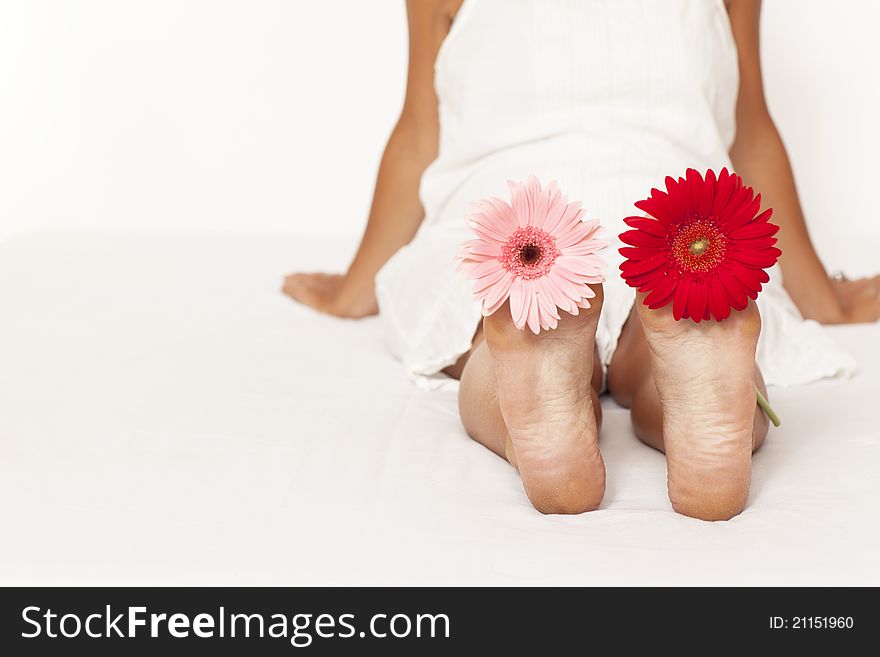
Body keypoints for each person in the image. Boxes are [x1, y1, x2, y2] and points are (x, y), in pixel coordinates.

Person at [283, 0, 880, 520]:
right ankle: (701, 405)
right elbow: (750, 131)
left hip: (513, 226)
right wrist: (820, 298)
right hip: (680, 226)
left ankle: (536, 416)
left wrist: (355, 288)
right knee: (677, 338)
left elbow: (420, 131)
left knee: (490, 340)